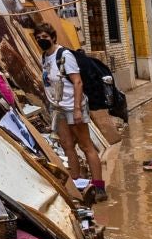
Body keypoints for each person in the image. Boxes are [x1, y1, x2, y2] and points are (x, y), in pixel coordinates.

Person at [39, 26, 105, 202]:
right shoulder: (44, 57)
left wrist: (77, 109)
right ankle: (77, 184)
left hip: (73, 106)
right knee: (68, 146)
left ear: (53, 37)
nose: (41, 39)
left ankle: (99, 188)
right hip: (58, 109)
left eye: (44, 36)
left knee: (86, 145)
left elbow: (78, 82)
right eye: (38, 37)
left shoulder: (64, 56)